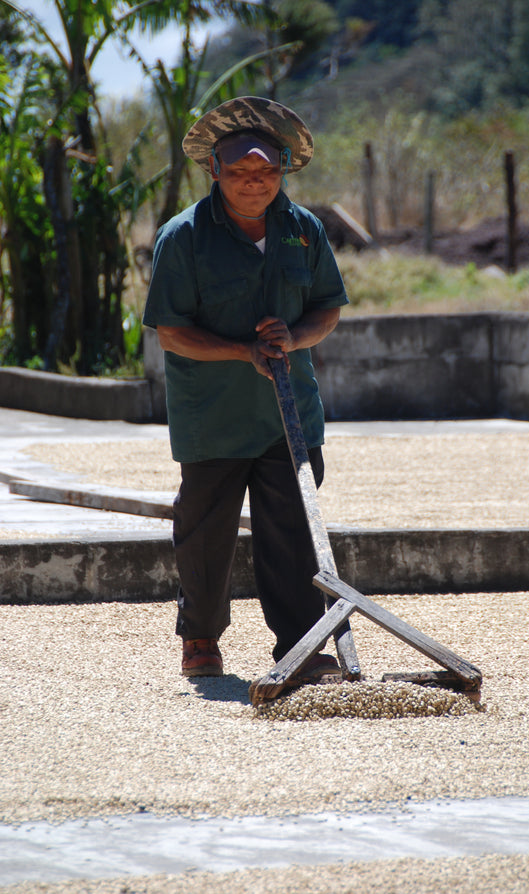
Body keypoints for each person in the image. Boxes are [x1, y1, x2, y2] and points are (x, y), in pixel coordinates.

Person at [143, 96, 348, 681]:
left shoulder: (303, 230)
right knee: (205, 535)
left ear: (283, 171)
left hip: (289, 416)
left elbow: (327, 311)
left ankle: (302, 647)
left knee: (292, 533)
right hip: (214, 416)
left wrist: (296, 334)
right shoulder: (182, 238)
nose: (255, 184)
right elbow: (173, 334)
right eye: (240, 173)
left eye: (267, 173)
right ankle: (201, 639)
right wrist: (242, 350)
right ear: (215, 172)